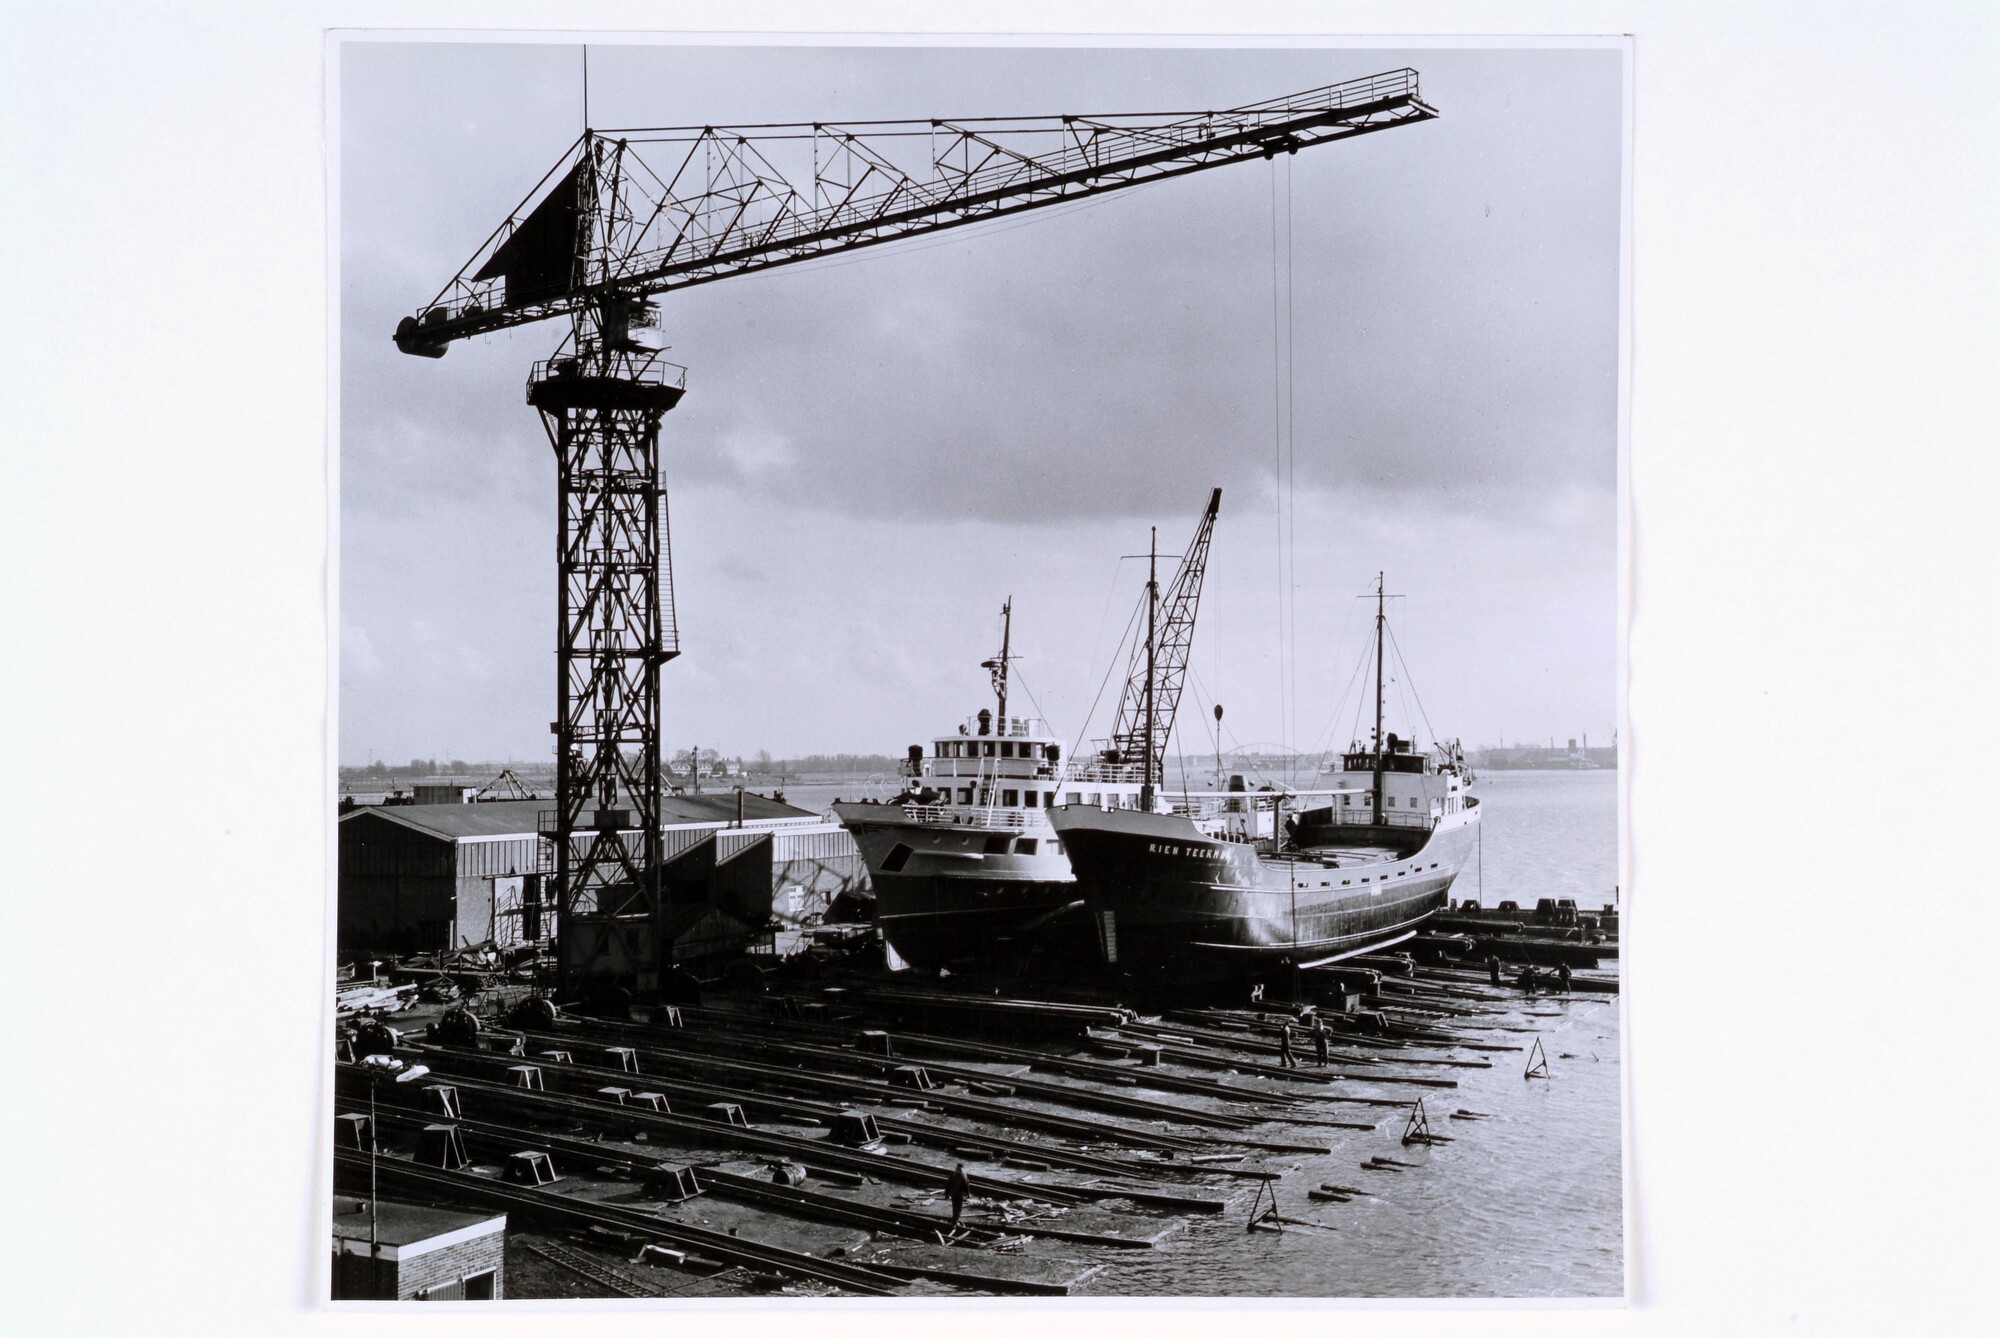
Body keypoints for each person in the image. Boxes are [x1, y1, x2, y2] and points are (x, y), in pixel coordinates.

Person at [945, 1162, 970, 1227]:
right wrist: (968, 1194)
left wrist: (946, 1194)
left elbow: (947, 1184)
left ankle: (954, 1222)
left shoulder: (953, 1174)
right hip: (959, 1194)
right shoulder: (963, 1174)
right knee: (959, 1209)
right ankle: (954, 1223)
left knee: (955, 1208)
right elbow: (966, 1185)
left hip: (953, 1194)